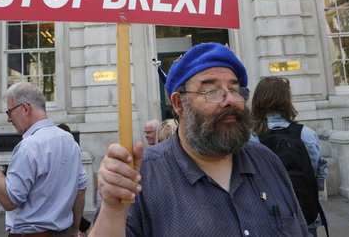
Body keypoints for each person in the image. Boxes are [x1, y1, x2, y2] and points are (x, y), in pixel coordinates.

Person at [90, 43, 308, 237]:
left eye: (234, 88)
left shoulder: (267, 162)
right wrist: (113, 211)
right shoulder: (141, 179)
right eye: (210, 90)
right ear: (179, 104)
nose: (229, 100)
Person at [0, 82, 87, 237]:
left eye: (9, 112)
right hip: (64, 232)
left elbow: (9, 200)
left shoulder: (29, 147)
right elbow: (80, 191)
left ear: (25, 108)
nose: (9, 119)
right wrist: (74, 230)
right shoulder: (70, 141)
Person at [251, 76, 329, 237]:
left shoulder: (251, 139)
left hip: (268, 217)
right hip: (305, 213)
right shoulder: (306, 135)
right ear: (287, 101)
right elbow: (317, 171)